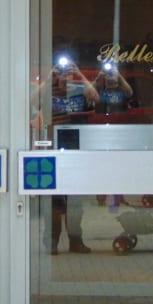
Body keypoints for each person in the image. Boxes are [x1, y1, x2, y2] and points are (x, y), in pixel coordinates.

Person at [48, 54, 98, 254]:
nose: (65, 77)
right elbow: (31, 100)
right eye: (61, 73)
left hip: (75, 150)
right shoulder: (49, 91)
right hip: (53, 149)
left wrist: (79, 74)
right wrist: (48, 78)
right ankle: (51, 243)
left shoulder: (78, 90)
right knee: (54, 203)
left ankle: (75, 241)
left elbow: (95, 96)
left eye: (68, 73)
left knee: (75, 202)